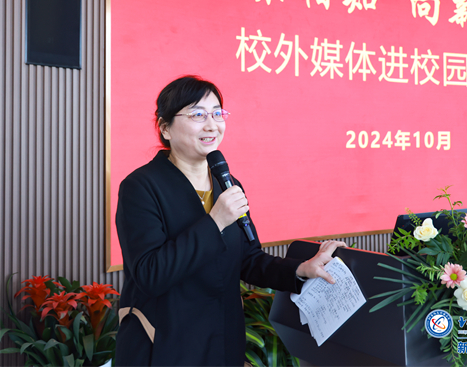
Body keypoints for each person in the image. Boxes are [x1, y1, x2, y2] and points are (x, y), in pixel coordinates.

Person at [115, 75, 346, 366]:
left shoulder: (227, 183)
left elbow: (249, 260)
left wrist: (301, 269)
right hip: (165, 344)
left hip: (221, 341)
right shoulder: (140, 187)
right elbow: (151, 274)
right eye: (197, 115)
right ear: (165, 127)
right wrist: (215, 222)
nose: (212, 125)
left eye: (217, 113)